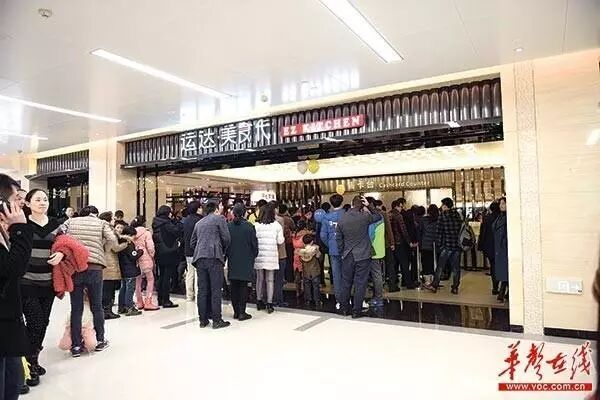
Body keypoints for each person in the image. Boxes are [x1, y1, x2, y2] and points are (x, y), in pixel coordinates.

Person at [60, 205, 118, 356]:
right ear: (95, 214)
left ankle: (76, 346)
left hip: (75, 268)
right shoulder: (101, 223)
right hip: (95, 268)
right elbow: (112, 239)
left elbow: (59, 234)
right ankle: (100, 340)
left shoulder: (70, 221)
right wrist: (102, 251)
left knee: (76, 308)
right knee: (97, 306)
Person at [20, 189, 61, 385]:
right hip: (26, 281)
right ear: (28, 203)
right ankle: (28, 363)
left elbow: (65, 244)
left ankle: (33, 358)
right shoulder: (22, 224)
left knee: (43, 322)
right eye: (37, 200)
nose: (42, 202)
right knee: (35, 321)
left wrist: (62, 253)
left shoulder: (56, 224)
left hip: (48, 281)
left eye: (45, 199)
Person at [0, 174, 34, 400]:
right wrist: (20, 229)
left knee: (13, 382)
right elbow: (13, 269)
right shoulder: (14, 228)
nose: (21, 203)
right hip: (4, 321)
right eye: (16, 199)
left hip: (9, 321)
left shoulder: (5, 230)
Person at [336, 196, 382, 318]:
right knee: (360, 283)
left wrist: (342, 252)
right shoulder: (365, 216)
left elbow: (338, 239)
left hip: (348, 254)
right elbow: (378, 216)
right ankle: (357, 310)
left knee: (346, 282)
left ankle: (344, 308)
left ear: (351, 204)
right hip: (363, 254)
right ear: (362, 206)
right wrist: (369, 206)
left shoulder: (342, 219)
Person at [191, 199, 231, 329]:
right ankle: (217, 320)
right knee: (215, 290)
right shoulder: (219, 219)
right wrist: (221, 250)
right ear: (216, 209)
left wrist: (201, 249)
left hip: (199, 258)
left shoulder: (199, 223)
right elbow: (226, 238)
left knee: (202, 290)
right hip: (214, 257)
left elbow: (192, 242)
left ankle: (203, 320)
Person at [424, 198, 464, 295]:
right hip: (457, 246)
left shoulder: (442, 216)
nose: (441, 206)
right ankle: (455, 287)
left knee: (440, 266)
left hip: (447, 246)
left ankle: (434, 285)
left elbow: (439, 232)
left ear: (445, 206)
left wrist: (439, 245)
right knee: (456, 268)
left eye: (442, 205)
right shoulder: (457, 215)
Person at [227, 204, 258, 321]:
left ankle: (236, 312)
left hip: (232, 259)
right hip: (246, 259)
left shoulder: (228, 226)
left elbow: (225, 244)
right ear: (245, 213)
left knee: (233, 286)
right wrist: (253, 256)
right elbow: (254, 245)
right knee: (243, 286)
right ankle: (242, 312)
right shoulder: (249, 227)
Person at [254, 203, 285, 314]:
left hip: (259, 255)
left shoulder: (256, 225)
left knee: (259, 278)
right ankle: (270, 304)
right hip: (271, 255)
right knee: (270, 279)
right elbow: (280, 241)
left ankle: (259, 301)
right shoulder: (276, 225)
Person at [98, 211, 128, 320]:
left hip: (102, 260)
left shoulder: (99, 229)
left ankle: (104, 310)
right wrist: (126, 243)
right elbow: (115, 247)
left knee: (105, 288)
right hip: (109, 262)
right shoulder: (108, 231)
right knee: (108, 289)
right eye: (112, 219)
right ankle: (107, 311)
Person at [152, 205, 183, 308]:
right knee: (167, 277)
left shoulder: (156, 222)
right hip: (169, 252)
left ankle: (160, 299)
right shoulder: (167, 223)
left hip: (159, 253)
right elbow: (178, 231)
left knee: (161, 276)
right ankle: (166, 300)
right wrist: (177, 221)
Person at [320, 194, 345, 307]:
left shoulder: (326, 217)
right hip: (346, 248)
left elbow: (323, 235)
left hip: (333, 249)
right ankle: (348, 297)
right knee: (348, 274)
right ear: (342, 202)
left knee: (336, 275)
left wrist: (330, 244)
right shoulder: (346, 214)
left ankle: (339, 299)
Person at [131, 216, 158, 311]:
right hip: (145, 258)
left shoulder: (132, 232)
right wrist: (152, 255)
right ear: (144, 223)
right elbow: (150, 247)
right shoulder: (146, 233)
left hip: (135, 259)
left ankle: (139, 302)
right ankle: (148, 302)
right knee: (150, 279)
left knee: (138, 281)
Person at [390, 199, 418, 289]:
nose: (402, 208)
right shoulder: (398, 216)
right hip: (399, 242)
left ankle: (393, 283)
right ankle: (408, 283)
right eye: (401, 206)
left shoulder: (389, 214)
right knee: (404, 263)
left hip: (391, 243)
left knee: (393, 264)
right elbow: (403, 230)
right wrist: (409, 242)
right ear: (397, 206)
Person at [117, 226, 143, 316]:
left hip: (123, 269)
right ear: (129, 235)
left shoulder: (120, 242)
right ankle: (130, 308)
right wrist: (140, 251)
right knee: (130, 289)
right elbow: (133, 256)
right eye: (133, 236)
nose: (134, 238)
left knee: (123, 288)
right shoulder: (128, 243)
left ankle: (121, 307)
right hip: (130, 270)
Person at [366, 197, 385, 309]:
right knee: (377, 274)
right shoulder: (380, 216)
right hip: (379, 249)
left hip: (372, 250)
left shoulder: (372, 218)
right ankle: (377, 297)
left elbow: (370, 235)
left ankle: (378, 298)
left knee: (376, 275)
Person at [182, 201, 202, 302]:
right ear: (197, 209)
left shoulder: (185, 220)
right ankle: (198, 295)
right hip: (198, 250)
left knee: (190, 273)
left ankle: (189, 295)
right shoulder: (200, 220)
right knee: (198, 273)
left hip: (188, 251)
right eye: (200, 207)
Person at [479, 201, 500, 294]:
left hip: (489, 246)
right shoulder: (502, 217)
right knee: (501, 266)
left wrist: (481, 246)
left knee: (493, 266)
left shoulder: (486, 218)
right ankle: (503, 287)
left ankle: (495, 287)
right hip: (500, 246)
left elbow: (483, 233)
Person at [274, 203, 291, 307]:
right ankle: (279, 299)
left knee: (269, 278)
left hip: (268, 253)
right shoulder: (280, 220)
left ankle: (269, 299)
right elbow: (281, 237)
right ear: (276, 209)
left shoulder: (261, 221)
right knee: (279, 278)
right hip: (280, 252)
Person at [298, 234, 321, 309]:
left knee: (307, 286)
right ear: (312, 242)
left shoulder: (301, 251)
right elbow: (319, 256)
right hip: (315, 271)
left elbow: (300, 260)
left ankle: (308, 300)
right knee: (316, 286)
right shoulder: (315, 249)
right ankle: (317, 300)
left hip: (306, 271)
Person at [493, 197, 509, 302]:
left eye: (503, 203)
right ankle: (505, 293)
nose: (501, 206)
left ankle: (502, 294)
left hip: (505, 249)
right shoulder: (500, 216)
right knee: (503, 272)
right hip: (499, 248)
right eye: (500, 204)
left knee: (505, 272)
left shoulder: (509, 217)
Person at [420, 204, 440, 285]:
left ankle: (427, 280)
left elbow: (420, 231)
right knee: (434, 262)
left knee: (426, 263)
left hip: (425, 244)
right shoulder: (438, 220)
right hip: (436, 245)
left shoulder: (423, 220)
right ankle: (434, 279)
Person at [292, 220, 311, 299]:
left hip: (296, 255)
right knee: (305, 274)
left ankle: (297, 292)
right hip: (303, 255)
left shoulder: (294, 234)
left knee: (297, 274)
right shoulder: (305, 234)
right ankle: (305, 292)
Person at [278, 204, 296, 284]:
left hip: (280, 243)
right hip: (288, 242)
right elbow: (293, 228)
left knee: (281, 260)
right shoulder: (288, 219)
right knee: (289, 260)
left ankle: (282, 277)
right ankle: (290, 278)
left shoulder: (275, 219)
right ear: (286, 211)